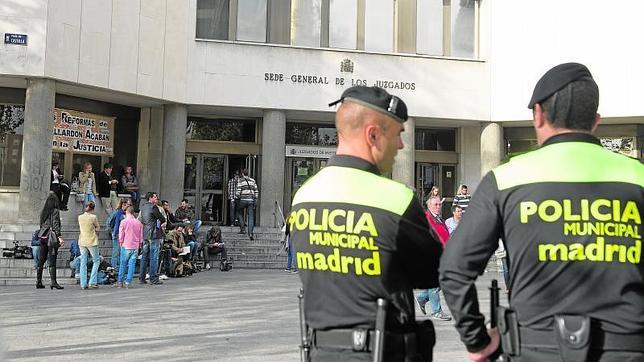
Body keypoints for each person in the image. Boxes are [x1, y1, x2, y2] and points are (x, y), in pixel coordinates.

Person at [440, 63, 644, 361]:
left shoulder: (506, 179)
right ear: (596, 120)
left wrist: (478, 340)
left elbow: (454, 269)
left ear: (538, 113)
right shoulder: (636, 177)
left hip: (534, 348)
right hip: (625, 350)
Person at [289, 86, 443, 361]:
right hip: (383, 352)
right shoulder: (396, 199)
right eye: (397, 135)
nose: (401, 146)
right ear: (373, 135)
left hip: (320, 352)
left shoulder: (304, 195)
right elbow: (433, 273)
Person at [416, 196, 452, 321]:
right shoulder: (427, 218)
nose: (438, 206)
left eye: (439, 204)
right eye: (435, 204)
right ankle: (437, 311)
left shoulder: (439, 219)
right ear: (429, 206)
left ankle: (421, 297)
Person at [36, 192, 65, 290]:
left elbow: (41, 225)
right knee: (52, 260)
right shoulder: (55, 211)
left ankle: (38, 281)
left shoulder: (43, 211)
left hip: (43, 237)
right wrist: (59, 236)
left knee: (41, 259)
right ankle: (53, 282)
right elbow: (55, 224)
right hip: (51, 238)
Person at [139, 192, 166, 285]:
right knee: (154, 256)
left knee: (145, 256)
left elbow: (142, 220)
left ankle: (142, 277)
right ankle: (153, 278)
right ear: (150, 198)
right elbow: (162, 218)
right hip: (154, 234)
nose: (156, 198)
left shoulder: (143, 207)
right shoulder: (153, 207)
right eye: (155, 197)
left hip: (145, 234)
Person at [116, 206, 143, 288]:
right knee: (132, 265)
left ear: (127, 212)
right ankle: (128, 282)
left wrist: (120, 242)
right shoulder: (139, 223)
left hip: (125, 245)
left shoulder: (123, 222)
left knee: (123, 264)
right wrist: (140, 244)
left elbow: (121, 234)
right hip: (135, 246)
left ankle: (120, 281)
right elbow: (141, 236)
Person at [78, 202, 101, 290]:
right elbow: (98, 227)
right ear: (93, 209)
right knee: (96, 260)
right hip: (91, 241)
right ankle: (92, 282)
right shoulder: (93, 217)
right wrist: (95, 231)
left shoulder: (80, 217)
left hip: (82, 241)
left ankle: (83, 283)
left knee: (83, 262)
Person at [235, 169, 258, 240]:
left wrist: (237, 197)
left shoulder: (240, 181)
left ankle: (243, 229)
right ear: (248, 173)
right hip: (251, 200)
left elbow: (238, 192)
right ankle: (250, 233)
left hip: (242, 200)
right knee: (251, 216)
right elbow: (256, 191)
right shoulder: (253, 181)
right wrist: (255, 199)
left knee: (239, 212)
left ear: (242, 174)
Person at [106, 199, 128, 269]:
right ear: (123, 205)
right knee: (116, 251)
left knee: (121, 251)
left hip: (123, 234)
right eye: (127, 204)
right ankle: (114, 267)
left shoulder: (125, 213)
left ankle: (119, 266)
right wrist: (112, 231)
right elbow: (109, 222)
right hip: (117, 233)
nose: (128, 206)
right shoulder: (117, 212)